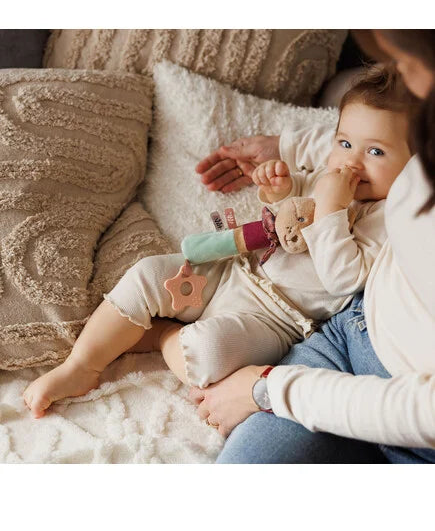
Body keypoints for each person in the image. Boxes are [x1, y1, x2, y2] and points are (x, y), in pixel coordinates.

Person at [23, 65, 413, 420]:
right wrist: (278, 187)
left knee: (206, 353)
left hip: (275, 320)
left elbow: (342, 280)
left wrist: (331, 210)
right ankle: (81, 366)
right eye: (344, 143)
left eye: (375, 151)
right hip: (235, 269)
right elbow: (288, 211)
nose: (351, 162)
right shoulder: (329, 175)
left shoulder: (391, 222)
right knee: (148, 273)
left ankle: (162, 335)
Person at [189, 30, 435, 464]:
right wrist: (287, 147)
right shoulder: (417, 125)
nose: (406, 79)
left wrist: (267, 389)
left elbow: (420, 412)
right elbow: (374, 130)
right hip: (350, 337)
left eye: (409, 65)